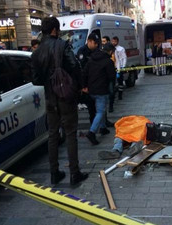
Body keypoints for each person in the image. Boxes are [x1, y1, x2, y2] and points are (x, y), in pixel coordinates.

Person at [31, 17, 88, 185]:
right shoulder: (62, 46)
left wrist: (49, 80)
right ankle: (74, 173)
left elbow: (35, 79)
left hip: (50, 98)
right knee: (70, 134)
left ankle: (54, 173)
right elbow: (75, 66)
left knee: (53, 135)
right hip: (65, 96)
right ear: (55, 30)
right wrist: (79, 85)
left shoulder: (36, 52)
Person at [82, 43, 116, 145]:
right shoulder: (108, 62)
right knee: (100, 112)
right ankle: (92, 132)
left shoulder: (92, 59)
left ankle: (103, 128)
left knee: (101, 109)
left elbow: (84, 72)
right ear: (110, 51)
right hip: (102, 90)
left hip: (91, 90)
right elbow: (111, 77)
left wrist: (84, 86)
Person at [76, 33, 99, 125]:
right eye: (95, 43)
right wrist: (83, 85)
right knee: (91, 106)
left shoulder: (96, 51)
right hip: (87, 83)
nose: (96, 45)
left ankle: (102, 123)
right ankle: (93, 123)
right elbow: (81, 70)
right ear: (89, 41)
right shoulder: (82, 51)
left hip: (96, 81)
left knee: (100, 105)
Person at [102, 36, 116, 113]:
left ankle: (111, 106)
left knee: (111, 92)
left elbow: (116, 60)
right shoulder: (102, 54)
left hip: (109, 77)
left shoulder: (111, 53)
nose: (102, 42)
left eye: (104, 41)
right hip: (106, 77)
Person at [111, 36, 127, 100]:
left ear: (117, 41)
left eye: (115, 41)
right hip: (113, 67)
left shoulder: (121, 49)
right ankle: (114, 94)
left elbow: (124, 58)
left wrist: (123, 66)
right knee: (114, 83)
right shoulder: (111, 48)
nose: (113, 42)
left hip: (119, 67)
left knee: (120, 82)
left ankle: (120, 95)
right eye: (112, 41)